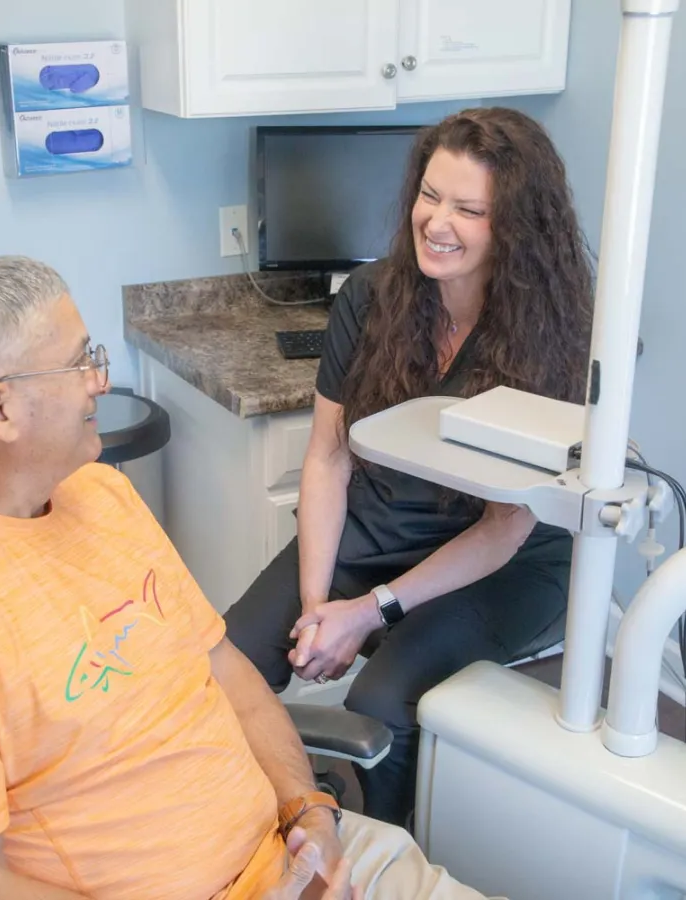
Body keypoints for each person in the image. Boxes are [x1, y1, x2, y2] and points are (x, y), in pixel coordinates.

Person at [0, 256, 493, 900]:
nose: (99, 380)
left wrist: (311, 812)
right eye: (78, 361)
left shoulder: (99, 493)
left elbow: (227, 672)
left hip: (306, 859)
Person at [224, 107, 594, 827]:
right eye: (430, 196)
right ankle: (255, 823)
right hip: (380, 524)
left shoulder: (555, 334)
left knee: (382, 707)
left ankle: (387, 851)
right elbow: (328, 459)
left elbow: (502, 529)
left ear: (514, 225)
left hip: (503, 560)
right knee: (229, 660)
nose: (437, 222)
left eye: (469, 209)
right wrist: (315, 610)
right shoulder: (371, 299)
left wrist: (369, 612)